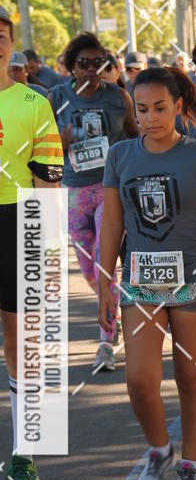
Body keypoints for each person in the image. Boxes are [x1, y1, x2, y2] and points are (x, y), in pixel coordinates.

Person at [100, 67, 196, 480]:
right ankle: (159, 450)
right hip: (141, 282)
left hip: (194, 280)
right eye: (142, 109)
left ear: (178, 106)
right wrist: (104, 281)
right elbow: (112, 224)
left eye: (160, 108)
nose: (150, 117)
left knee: (191, 377)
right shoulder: (120, 155)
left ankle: (191, 466)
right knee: (139, 380)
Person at [0, 6, 64, 480]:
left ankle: (25, 454)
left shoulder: (32, 102)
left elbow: (47, 179)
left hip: (16, 221)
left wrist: (48, 250)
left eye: (0, 35)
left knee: (21, 339)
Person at [48, 32, 138, 371]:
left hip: (109, 190)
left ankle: (105, 342)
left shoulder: (118, 97)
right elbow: (40, 145)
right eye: (83, 63)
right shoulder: (57, 97)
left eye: (97, 62)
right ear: (71, 66)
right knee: (90, 269)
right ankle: (113, 315)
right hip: (73, 192)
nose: (91, 69)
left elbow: (135, 138)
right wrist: (60, 140)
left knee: (104, 262)